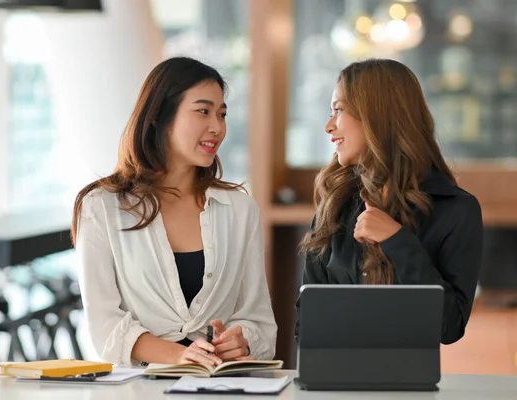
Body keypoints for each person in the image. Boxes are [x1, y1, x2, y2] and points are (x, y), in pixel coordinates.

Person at [71, 57, 277, 367]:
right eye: (203, 111)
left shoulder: (239, 209)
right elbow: (104, 326)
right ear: (159, 116)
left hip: (220, 387)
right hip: (138, 388)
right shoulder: (101, 207)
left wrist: (241, 340)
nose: (217, 127)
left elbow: (259, 320)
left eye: (222, 114)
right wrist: (181, 356)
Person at [297, 58, 483, 345]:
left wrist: (398, 241)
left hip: (409, 387)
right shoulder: (334, 206)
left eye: (338, 110)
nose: (328, 126)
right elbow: (306, 324)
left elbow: (450, 327)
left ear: (377, 116)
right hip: (330, 384)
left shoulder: (457, 210)